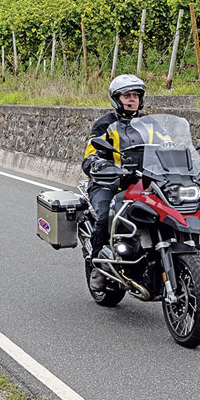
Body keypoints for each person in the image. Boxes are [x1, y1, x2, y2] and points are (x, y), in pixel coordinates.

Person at [82, 74, 147, 291]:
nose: (132, 100)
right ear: (116, 99)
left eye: (136, 95)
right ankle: (97, 267)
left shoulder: (150, 124)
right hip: (109, 183)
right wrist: (97, 165)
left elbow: (170, 146)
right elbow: (91, 154)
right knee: (105, 215)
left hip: (142, 183)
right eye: (126, 95)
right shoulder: (104, 124)